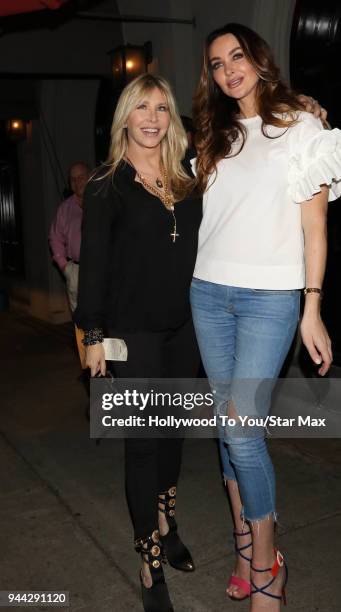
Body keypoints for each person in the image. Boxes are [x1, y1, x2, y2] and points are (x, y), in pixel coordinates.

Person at [190, 23, 339, 611]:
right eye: (217, 63)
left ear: (257, 58)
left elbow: (315, 225)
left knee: (242, 430)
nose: (229, 69)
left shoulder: (304, 125)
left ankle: (267, 564)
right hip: (207, 294)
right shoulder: (212, 132)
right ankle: (244, 546)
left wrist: (313, 307)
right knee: (230, 431)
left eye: (238, 56)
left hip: (269, 299)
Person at [75, 74, 202, 612]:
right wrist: (94, 335)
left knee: (174, 433)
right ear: (124, 117)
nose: (152, 118)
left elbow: (240, 134)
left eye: (162, 108)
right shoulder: (107, 184)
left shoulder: (188, 175)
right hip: (133, 332)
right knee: (144, 442)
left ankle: (167, 518)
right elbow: (96, 266)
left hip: (186, 328)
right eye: (141, 108)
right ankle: (150, 560)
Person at [49, 162, 90, 369]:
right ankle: (89, 368)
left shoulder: (102, 201)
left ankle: (109, 367)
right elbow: (55, 238)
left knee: (105, 319)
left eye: (81, 176)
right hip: (77, 270)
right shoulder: (65, 208)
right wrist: (65, 267)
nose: (77, 181)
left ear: (90, 176)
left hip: (104, 272)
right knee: (82, 322)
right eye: (73, 179)